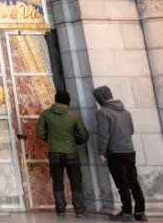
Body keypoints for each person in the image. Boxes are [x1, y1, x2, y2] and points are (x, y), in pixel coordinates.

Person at [94, 86, 147, 221]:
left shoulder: (103, 113)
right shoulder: (126, 112)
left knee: (122, 184)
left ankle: (127, 213)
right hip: (129, 150)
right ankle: (140, 212)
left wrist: (101, 152)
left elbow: (103, 135)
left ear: (100, 98)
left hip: (115, 152)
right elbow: (131, 130)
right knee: (133, 182)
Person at [36, 89, 90, 218]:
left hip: (54, 152)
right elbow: (84, 135)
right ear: (68, 101)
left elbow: (39, 131)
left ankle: (60, 211)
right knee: (76, 181)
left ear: (55, 100)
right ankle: (80, 211)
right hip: (71, 152)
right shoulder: (74, 115)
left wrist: (49, 139)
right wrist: (75, 140)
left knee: (58, 181)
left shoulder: (46, 114)